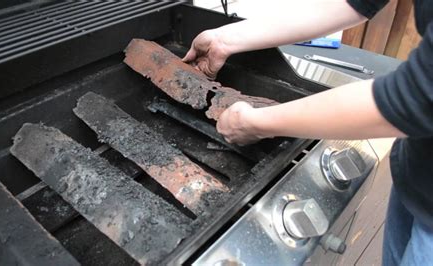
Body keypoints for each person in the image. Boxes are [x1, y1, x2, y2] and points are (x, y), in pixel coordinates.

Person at [182, 0, 432, 265]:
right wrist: (225, 39)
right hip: (419, 176)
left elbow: (415, 99)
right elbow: (356, 3)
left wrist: (256, 123)